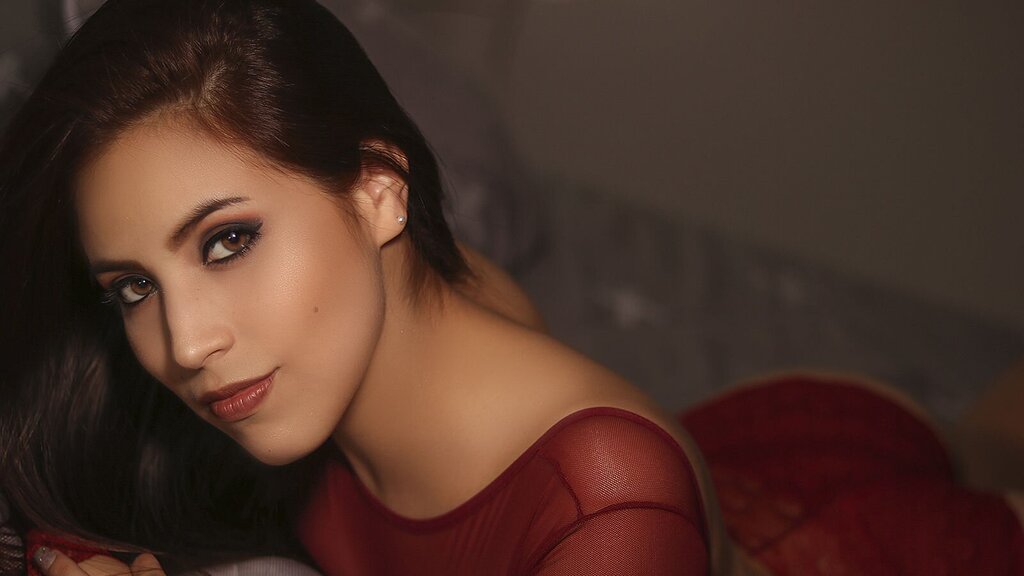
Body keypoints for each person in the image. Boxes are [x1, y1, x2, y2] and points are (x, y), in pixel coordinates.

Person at [1, 1, 1020, 575]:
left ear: (379, 191)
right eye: (132, 288)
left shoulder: (611, 514)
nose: (183, 342)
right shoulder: (379, 314)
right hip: (761, 447)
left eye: (227, 241)